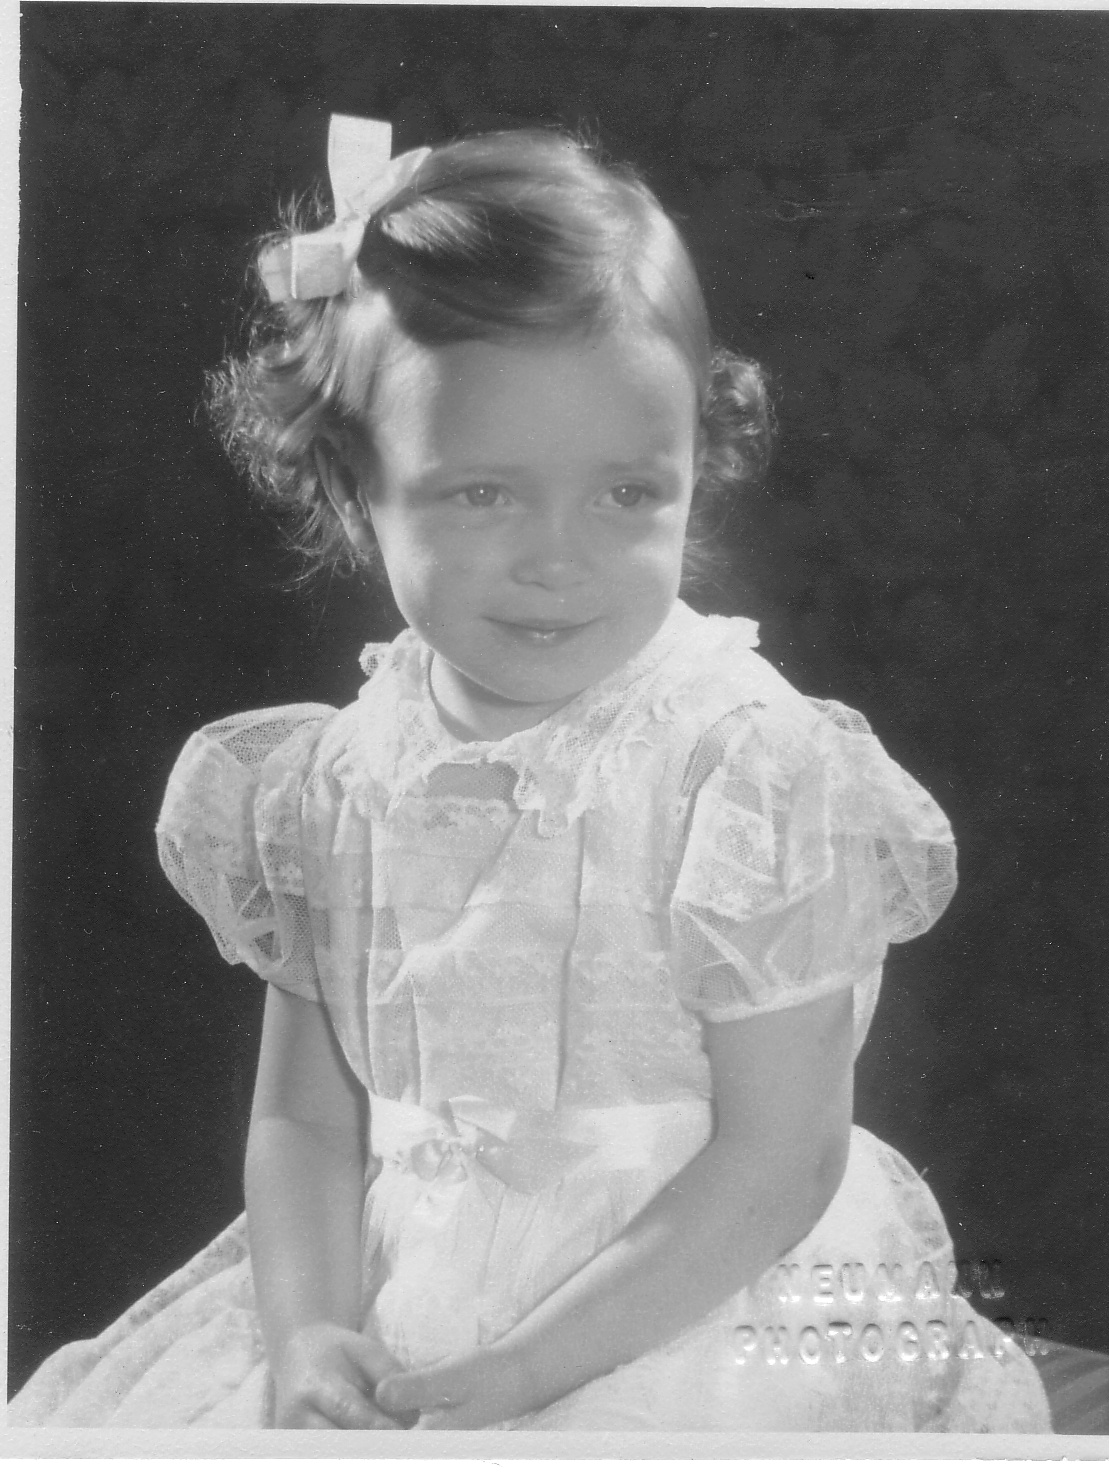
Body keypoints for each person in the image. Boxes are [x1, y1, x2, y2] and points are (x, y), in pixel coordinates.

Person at [10, 114, 1052, 1433]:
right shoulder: (338, 777)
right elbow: (308, 1123)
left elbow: (780, 1158)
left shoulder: (743, 762)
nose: (560, 559)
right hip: (413, 1284)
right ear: (357, 483)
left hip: (690, 1294)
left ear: (695, 462)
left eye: (628, 496)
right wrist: (311, 1331)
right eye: (483, 495)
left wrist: (523, 1374)